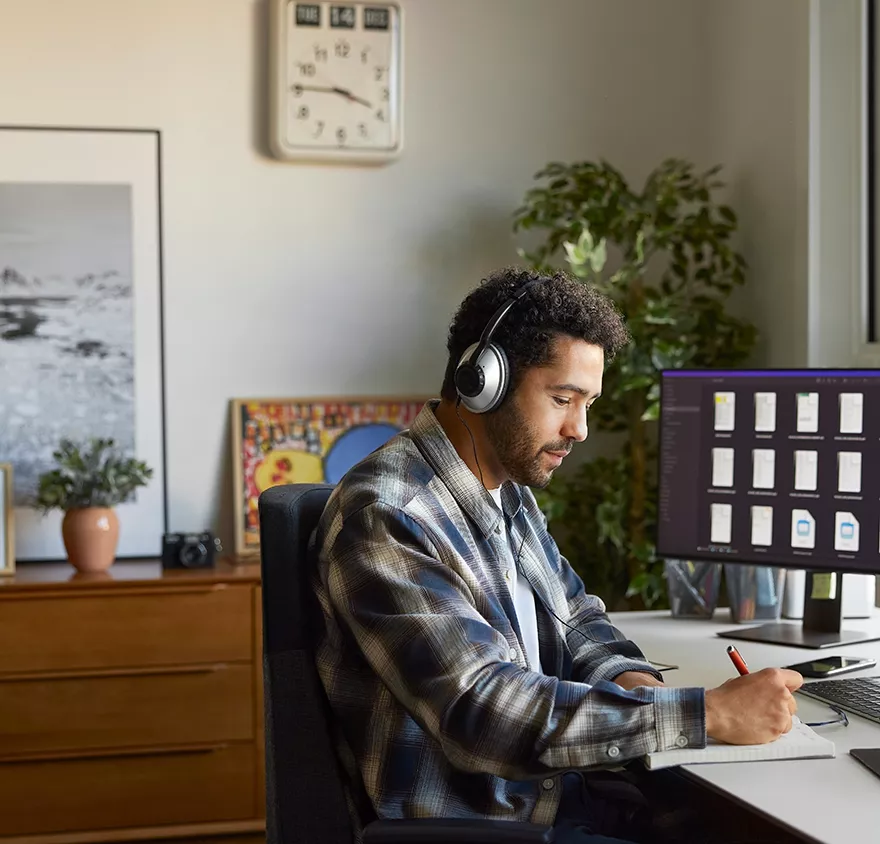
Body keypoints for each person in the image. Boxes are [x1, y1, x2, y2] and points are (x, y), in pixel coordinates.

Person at [312, 268, 803, 844]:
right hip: (482, 824)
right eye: (562, 398)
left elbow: (576, 620)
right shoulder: (390, 514)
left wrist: (640, 686)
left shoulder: (505, 489)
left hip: (554, 794)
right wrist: (704, 715)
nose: (581, 428)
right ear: (482, 382)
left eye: (587, 403)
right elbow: (481, 712)